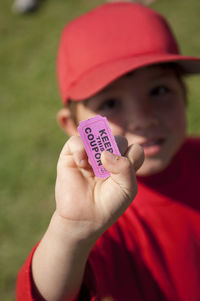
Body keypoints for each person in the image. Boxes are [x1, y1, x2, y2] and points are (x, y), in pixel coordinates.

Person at [16, 2, 200, 301]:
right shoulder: (103, 212)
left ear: (184, 94)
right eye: (110, 104)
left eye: (159, 91)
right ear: (73, 125)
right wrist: (72, 232)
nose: (144, 118)